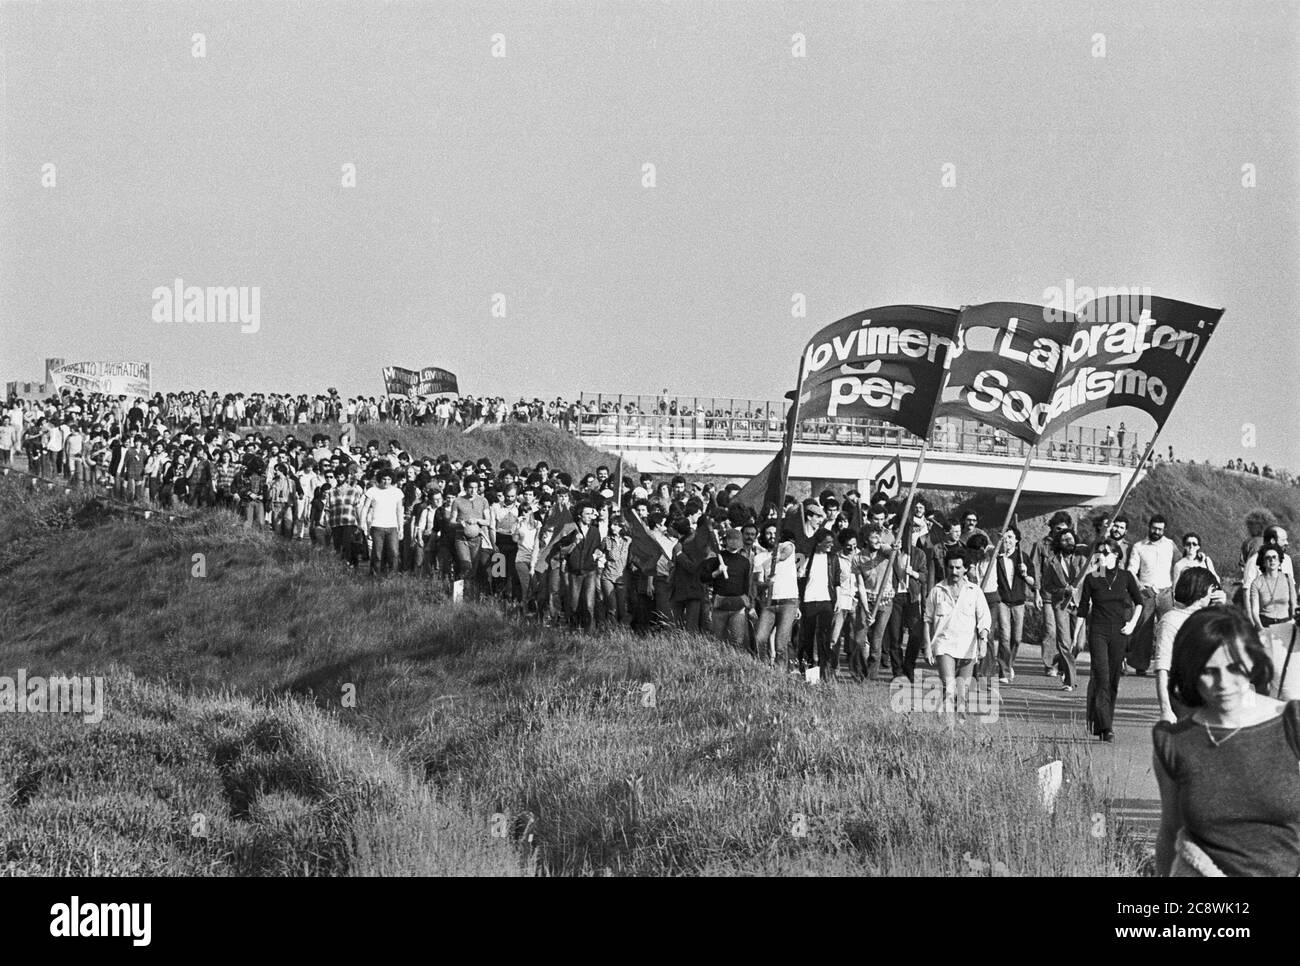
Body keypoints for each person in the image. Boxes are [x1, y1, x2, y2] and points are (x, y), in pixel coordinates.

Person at [1153, 607, 1300, 876]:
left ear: (1253, 661)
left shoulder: (1292, 724)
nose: (1224, 683)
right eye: (1208, 671)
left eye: (1234, 667)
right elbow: (1169, 832)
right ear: (1189, 671)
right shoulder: (1174, 743)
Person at [1078, 538, 1145, 741]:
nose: (1101, 556)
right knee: (1102, 676)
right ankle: (1106, 728)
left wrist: (1132, 624)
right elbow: (1082, 609)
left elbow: (1139, 602)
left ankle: (1102, 723)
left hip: (1119, 632)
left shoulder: (1125, 577)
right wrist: (1076, 638)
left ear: (1116, 555)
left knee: (1113, 680)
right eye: (1099, 553)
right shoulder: (1092, 578)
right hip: (1097, 631)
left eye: (1106, 552)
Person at [924, 547, 992, 716]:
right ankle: (947, 725)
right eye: (951, 567)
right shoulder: (937, 591)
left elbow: (984, 619)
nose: (954, 571)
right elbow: (927, 620)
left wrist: (983, 641)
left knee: (962, 694)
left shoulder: (974, 591)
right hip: (944, 644)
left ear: (965, 569)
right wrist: (927, 646)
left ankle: (957, 726)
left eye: (958, 568)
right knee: (949, 686)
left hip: (967, 646)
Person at [1154, 567, 1223, 724]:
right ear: (1200, 589)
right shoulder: (1171, 620)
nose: (1214, 594)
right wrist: (1166, 709)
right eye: (1212, 589)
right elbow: (1162, 668)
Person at [1126, 514, 1177, 675]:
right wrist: (1141, 587)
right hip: (1146, 592)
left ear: (1164, 529)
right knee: (1143, 629)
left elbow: (1181, 563)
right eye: (1154, 528)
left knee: (1168, 629)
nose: (1156, 531)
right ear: (1149, 527)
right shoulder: (1138, 546)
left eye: (1160, 529)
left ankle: (1166, 666)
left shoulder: (1170, 545)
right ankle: (1140, 665)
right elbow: (1131, 571)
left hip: (1166, 592)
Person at [1031, 511, 1074, 677]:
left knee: (1068, 635)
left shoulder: (1072, 544)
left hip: (1067, 596)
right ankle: (1050, 664)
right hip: (1048, 595)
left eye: (1064, 529)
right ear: (1051, 528)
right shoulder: (1042, 545)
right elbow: (1035, 569)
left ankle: (1065, 661)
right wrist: (1036, 592)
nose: (1061, 533)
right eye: (1057, 529)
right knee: (1051, 631)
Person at [992, 525, 1034, 684]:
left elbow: (1033, 582)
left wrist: (1025, 574)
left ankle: (1009, 663)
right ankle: (1003, 670)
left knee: (1016, 638)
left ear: (1016, 540)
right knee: (1004, 636)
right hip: (1002, 601)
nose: (1007, 540)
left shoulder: (1023, 557)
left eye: (1010, 537)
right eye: (1004, 537)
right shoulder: (997, 558)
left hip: (1019, 602)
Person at [797, 528, 839, 676]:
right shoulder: (807, 557)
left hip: (826, 600)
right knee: (807, 637)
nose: (831, 545)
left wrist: (837, 599)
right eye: (828, 542)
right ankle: (807, 671)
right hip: (809, 600)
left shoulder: (832, 558)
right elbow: (799, 576)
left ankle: (824, 671)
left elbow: (836, 580)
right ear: (819, 542)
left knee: (824, 637)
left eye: (832, 542)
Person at [708, 528, 752, 649]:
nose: (734, 542)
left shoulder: (744, 562)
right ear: (726, 541)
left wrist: (746, 603)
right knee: (717, 641)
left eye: (737, 539)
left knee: (738, 641)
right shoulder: (717, 558)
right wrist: (717, 572)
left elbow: (745, 585)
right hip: (720, 605)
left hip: (738, 606)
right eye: (731, 539)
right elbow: (705, 578)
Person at [362, 467, 404, 577]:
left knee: (394, 552)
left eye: (389, 479)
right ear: (380, 479)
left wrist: (401, 528)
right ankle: (375, 576)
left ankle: (392, 576)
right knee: (377, 554)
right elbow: (365, 508)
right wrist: (363, 524)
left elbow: (399, 511)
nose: (386, 482)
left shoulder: (397, 492)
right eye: (384, 479)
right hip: (377, 526)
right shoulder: (372, 491)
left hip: (392, 526)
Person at [1247, 545, 1296, 630]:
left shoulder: (1288, 579)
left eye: (1274, 557)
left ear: (1279, 560)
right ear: (1263, 562)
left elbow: (1293, 604)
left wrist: (1292, 621)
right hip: (1265, 624)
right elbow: (1254, 610)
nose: (1272, 560)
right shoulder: (1256, 583)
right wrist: (1260, 627)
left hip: (1285, 623)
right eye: (1268, 558)